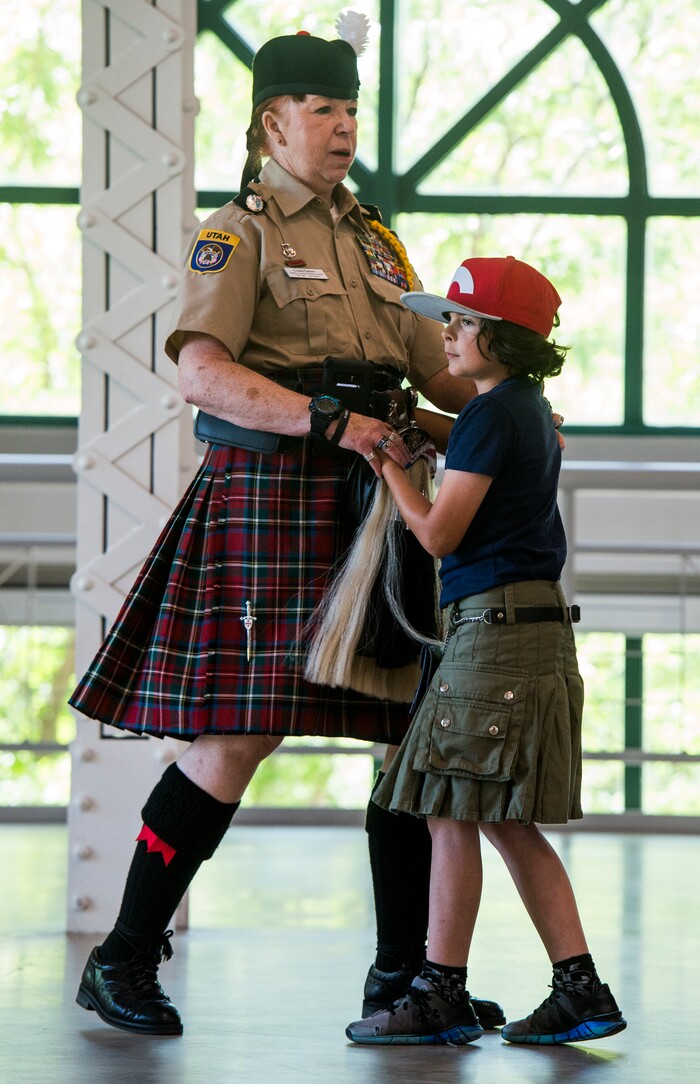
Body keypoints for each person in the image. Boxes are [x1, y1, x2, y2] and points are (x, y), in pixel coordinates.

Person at [69, 14, 505, 1036]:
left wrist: (501, 394)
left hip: (375, 493)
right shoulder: (240, 230)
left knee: (405, 736)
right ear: (273, 120)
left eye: (351, 107)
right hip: (273, 492)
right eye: (322, 108)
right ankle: (125, 956)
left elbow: (430, 355)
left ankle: (402, 977)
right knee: (237, 732)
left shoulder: (372, 234)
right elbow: (201, 370)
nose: (343, 126)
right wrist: (327, 418)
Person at [345, 256, 628, 1046]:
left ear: (502, 338)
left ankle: (442, 993)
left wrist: (387, 463)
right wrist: (421, 433)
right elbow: (472, 454)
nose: (449, 332)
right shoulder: (523, 411)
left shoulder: (493, 416)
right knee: (494, 817)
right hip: (521, 629)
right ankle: (576, 989)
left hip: (494, 636)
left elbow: (437, 532)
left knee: (449, 809)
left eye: (464, 321)